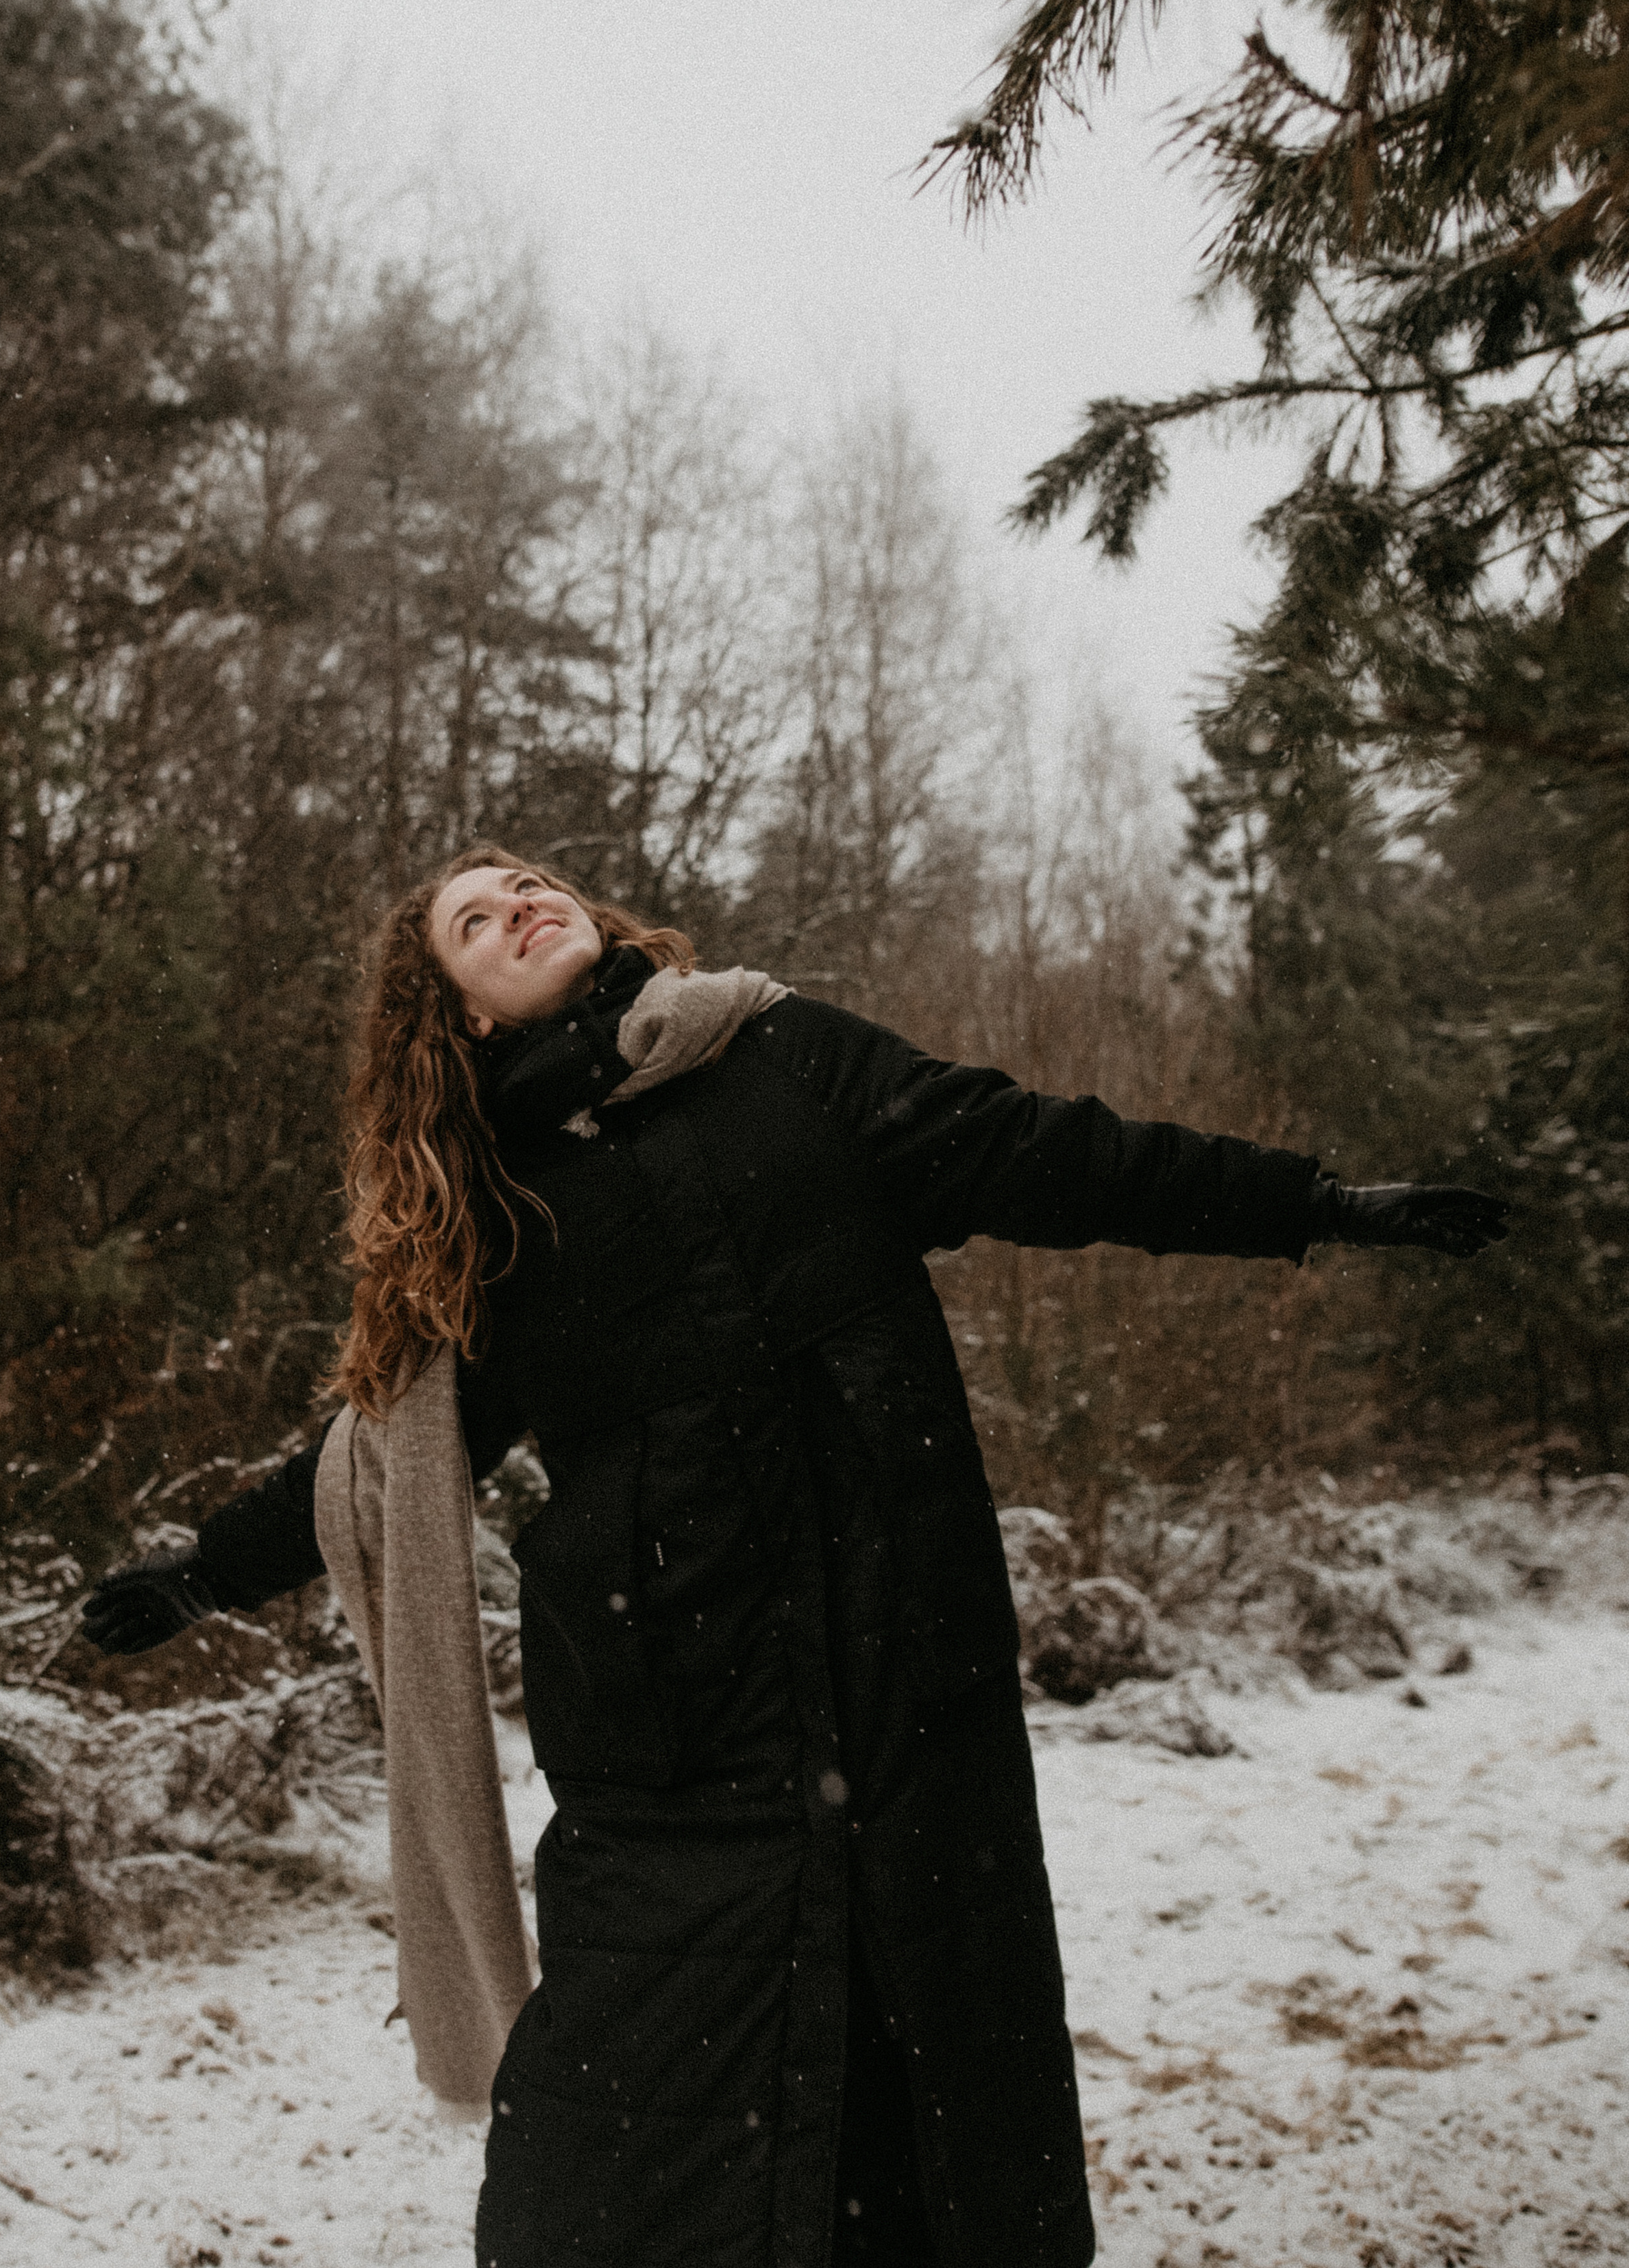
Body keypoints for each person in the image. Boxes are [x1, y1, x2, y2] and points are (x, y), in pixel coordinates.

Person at [82, 847, 1508, 2268]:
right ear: (455, 1011)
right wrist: (205, 1572)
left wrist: (1308, 1206)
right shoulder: (492, 1214)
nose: (520, 897)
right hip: (668, 1748)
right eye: (474, 915)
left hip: (905, 1689)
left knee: (930, 2135)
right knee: (615, 2174)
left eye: (527, 877)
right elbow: (377, 1457)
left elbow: (1048, 1153)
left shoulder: (782, 1056)